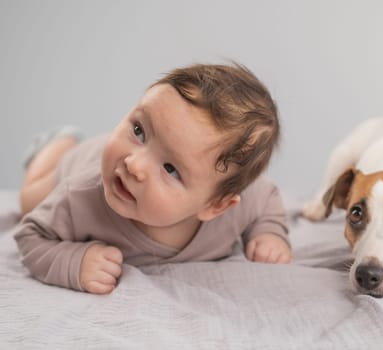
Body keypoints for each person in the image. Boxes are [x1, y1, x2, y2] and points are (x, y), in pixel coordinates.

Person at [14, 63, 291, 294]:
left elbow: (268, 198)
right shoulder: (81, 195)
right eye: (138, 130)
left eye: (170, 169)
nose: (134, 165)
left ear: (215, 206)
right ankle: (56, 144)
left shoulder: (240, 206)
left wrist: (268, 233)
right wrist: (73, 262)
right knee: (29, 199)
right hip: (79, 161)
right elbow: (30, 236)